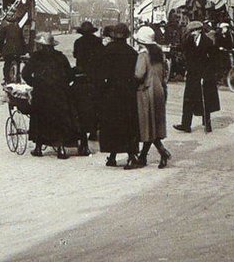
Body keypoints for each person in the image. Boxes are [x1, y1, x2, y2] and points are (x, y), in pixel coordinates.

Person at [22, 32, 78, 160]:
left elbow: (25, 74)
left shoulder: (36, 57)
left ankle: (38, 148)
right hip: (59, 93)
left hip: (42, 93)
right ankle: (61, 149)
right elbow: (70, 75)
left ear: (41, 45)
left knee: (39, 119)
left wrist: (35, 83)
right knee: (59, 119)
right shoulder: (61, 57)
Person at [97, 22, 139, 168]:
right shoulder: (132, 52)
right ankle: (131, 155)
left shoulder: (107, 50)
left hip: (111, 92)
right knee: (128, 124)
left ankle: (113, 155)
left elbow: (101, 73)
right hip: (127, 93)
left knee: (112, 124)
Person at [133, 26, 171, 169]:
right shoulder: (159, 53)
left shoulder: (143, 54)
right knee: (154, 125)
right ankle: (143, 156)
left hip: (146, 92)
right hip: (159, 90)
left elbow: (139, 74)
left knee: (148, 126)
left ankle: (162, 152)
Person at [175, 21, 220, 133]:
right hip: (192, 75)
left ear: (199, 30)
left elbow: (214, 61)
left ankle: (207, 123)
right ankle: (186, 125)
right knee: (188, 99)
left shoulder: (208, 42)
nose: (192, 33)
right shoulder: (189, 41)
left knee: (206, 100)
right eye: (191, 31)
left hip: (204, 76)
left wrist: (207, 75)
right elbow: (186, 53)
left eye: (194, 31)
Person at [72, 21, 104, 143]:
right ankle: (93, 131)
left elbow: (75, 56)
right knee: (95, 103)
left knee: (82, 104)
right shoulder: (98, 42)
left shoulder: (78, 42)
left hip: (81, 76)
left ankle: (82, 129)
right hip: (95, 76)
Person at [0, 13, 27, 84]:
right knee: (18, 62)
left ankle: (6, 79)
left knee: (7, 65)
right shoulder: (19, 29)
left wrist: (0, 50)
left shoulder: (4, 28)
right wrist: (24, 50)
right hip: (18, 50)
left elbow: (1, 40)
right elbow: (22, 40)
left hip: (9, 50)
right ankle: (18, 77)